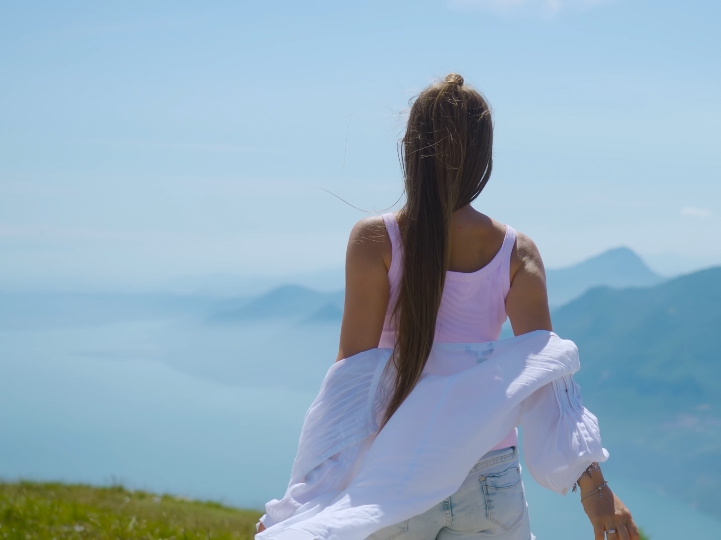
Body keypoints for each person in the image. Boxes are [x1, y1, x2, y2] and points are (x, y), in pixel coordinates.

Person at [259, 73, 640, 540]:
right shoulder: (517, 253)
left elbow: (351, 383)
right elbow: (545, 380)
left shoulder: (375, 241)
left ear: (410, 149)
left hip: (393, 481)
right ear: (483, 155)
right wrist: (595, 490)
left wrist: (302, 501)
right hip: (490, 478)